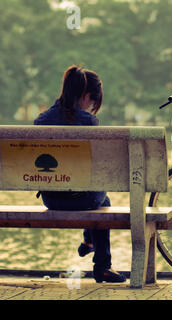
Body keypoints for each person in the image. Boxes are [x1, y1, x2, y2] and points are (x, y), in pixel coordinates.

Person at [34, 65, 126, 283]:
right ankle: (102, 265)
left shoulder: (41, 120)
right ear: (85, 96)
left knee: (91, 193)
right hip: (81, 199)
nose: (91, 107)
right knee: (102, 200)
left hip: (51, 198)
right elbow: (98, 167)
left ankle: (90, 242)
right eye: (92, 102)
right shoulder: (88, 122)